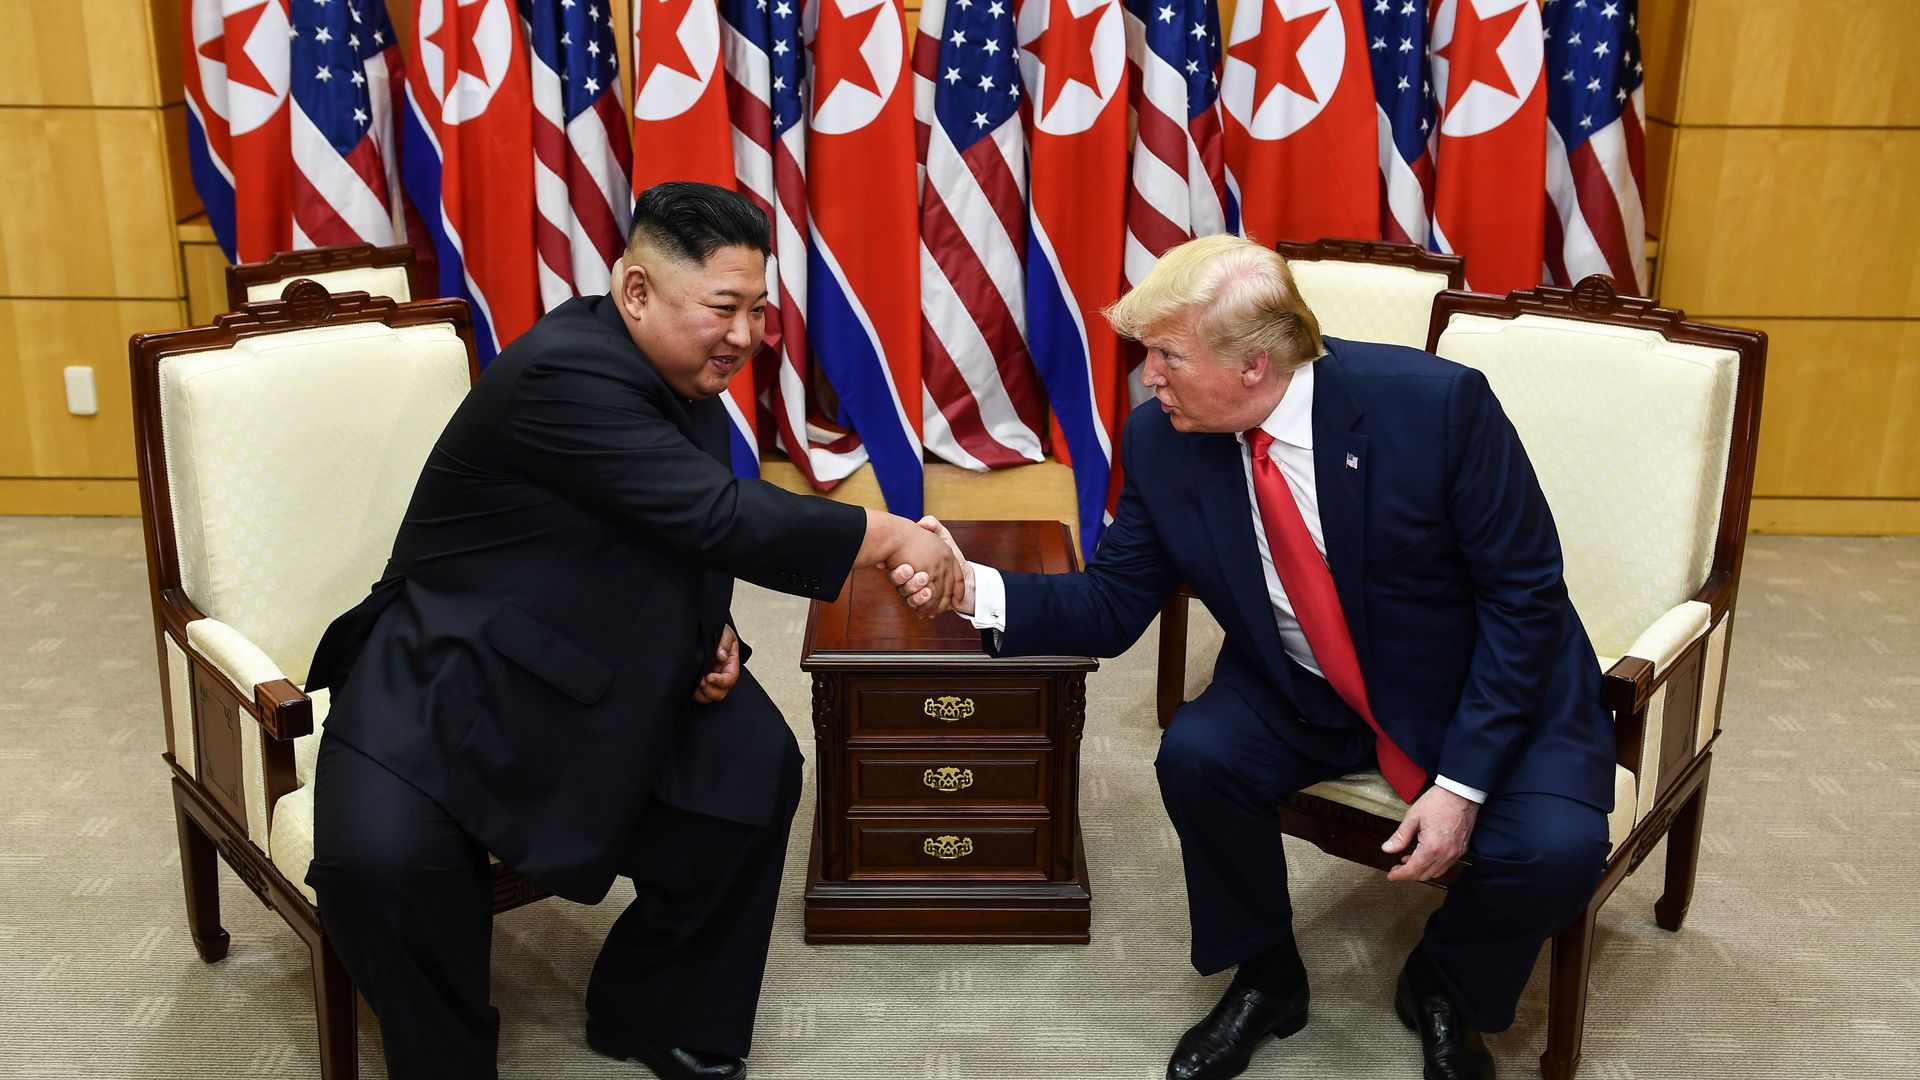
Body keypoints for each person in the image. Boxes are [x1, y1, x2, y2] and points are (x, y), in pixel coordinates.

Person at [893, 234, 1613, 1080]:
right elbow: (1112, 605)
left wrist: (1461, 785)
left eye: (1166, 355)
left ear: (1255, 365)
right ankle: (1267, 974)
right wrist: (967, 588)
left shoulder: (1437, 408)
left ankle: (1447, 984)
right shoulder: (1163, 438)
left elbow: (1524, 600)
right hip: (1302, 681)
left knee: (1556, 850)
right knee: (1199, 756)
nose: (1148, 376)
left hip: (1476, 684)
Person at [301, 182, 960, 1080]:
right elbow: (714, 513)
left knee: (753, 769)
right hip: (453, 673)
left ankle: (654, 1009)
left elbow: (660, 523)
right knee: (379, 866)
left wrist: (712, 625)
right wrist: (890, 536)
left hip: (603, 652)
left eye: (758, 311)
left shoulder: (678, 366)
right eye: (723, 309)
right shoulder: (564, 370)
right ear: (637, 290)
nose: (744, 337)